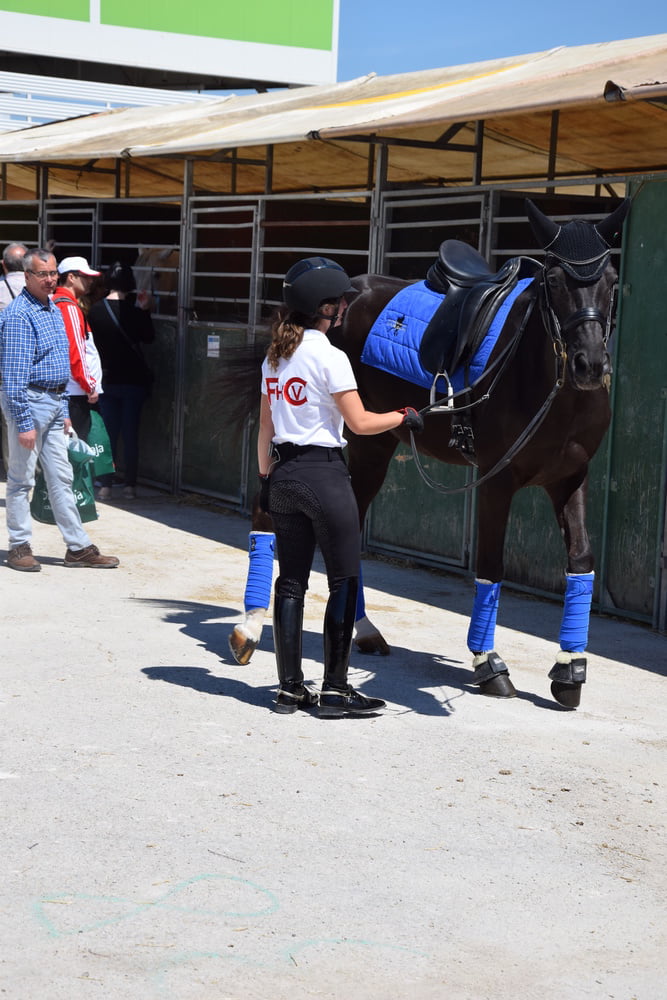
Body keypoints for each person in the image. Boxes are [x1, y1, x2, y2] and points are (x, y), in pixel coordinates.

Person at [258, 256, 424, 717]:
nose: (344, 308)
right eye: (340, 303)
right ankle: (334, 689)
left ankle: (290, 689)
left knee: (289, 583)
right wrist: (404, 416)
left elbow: (264, 428)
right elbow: (361, 422)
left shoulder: (275, 356)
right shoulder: (331, 358)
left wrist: (264, 479)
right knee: (344, 582)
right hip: (324, 475)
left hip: (284, 475)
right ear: (326, 308)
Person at [0, 248, 119, 572]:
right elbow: (13, 377)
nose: (50, 279)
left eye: (52, 273)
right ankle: (19, 546)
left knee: (62, 477)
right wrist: (24, 421)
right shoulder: (19, 315)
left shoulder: (51, 308)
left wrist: (64, 407)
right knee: (21, 479)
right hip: (30, 402)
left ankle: (78, 547)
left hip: (53, 403)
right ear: (27, 276)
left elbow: (59, 365)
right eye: (42, 274)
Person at [88, 262, 155, 501]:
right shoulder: (135, 313)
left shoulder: (94, 311)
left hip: (107, 380)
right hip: (133, 382)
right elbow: (149, 338)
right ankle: (130, 487)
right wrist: (146, 310)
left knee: (108, 434)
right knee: (130, 434)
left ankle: (105, 486)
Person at [53, 256, 103, 442]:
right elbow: (75, 352)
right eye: (85, 276)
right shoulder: (69, 307)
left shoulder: (54, 302)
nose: (90, 281)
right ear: (71, 278)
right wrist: (89, 385)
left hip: (65, 391)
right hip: (74, 393)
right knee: (75, 454)